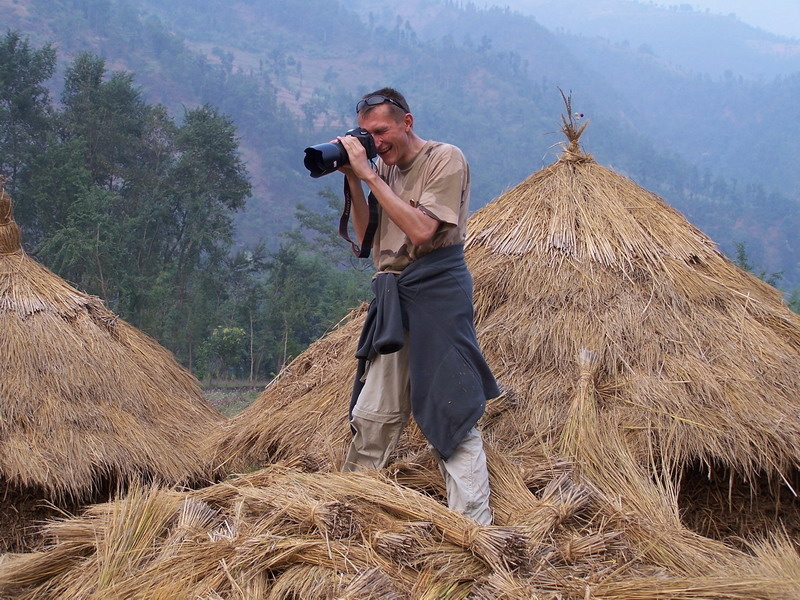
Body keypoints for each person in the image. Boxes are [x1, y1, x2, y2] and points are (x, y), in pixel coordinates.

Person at [336, 88, 499, 525]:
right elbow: (366, 233)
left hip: (438, 291)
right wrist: (355, 175)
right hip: (394, 293)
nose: (376, 141)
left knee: (451, 406)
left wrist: (370, 177)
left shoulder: (445, 158)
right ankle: (351, 510)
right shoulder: (381, 170)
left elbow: (424, 230)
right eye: (366, 135)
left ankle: (471, 527)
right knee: (373, 412)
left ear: (407, 122)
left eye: (381, 131)